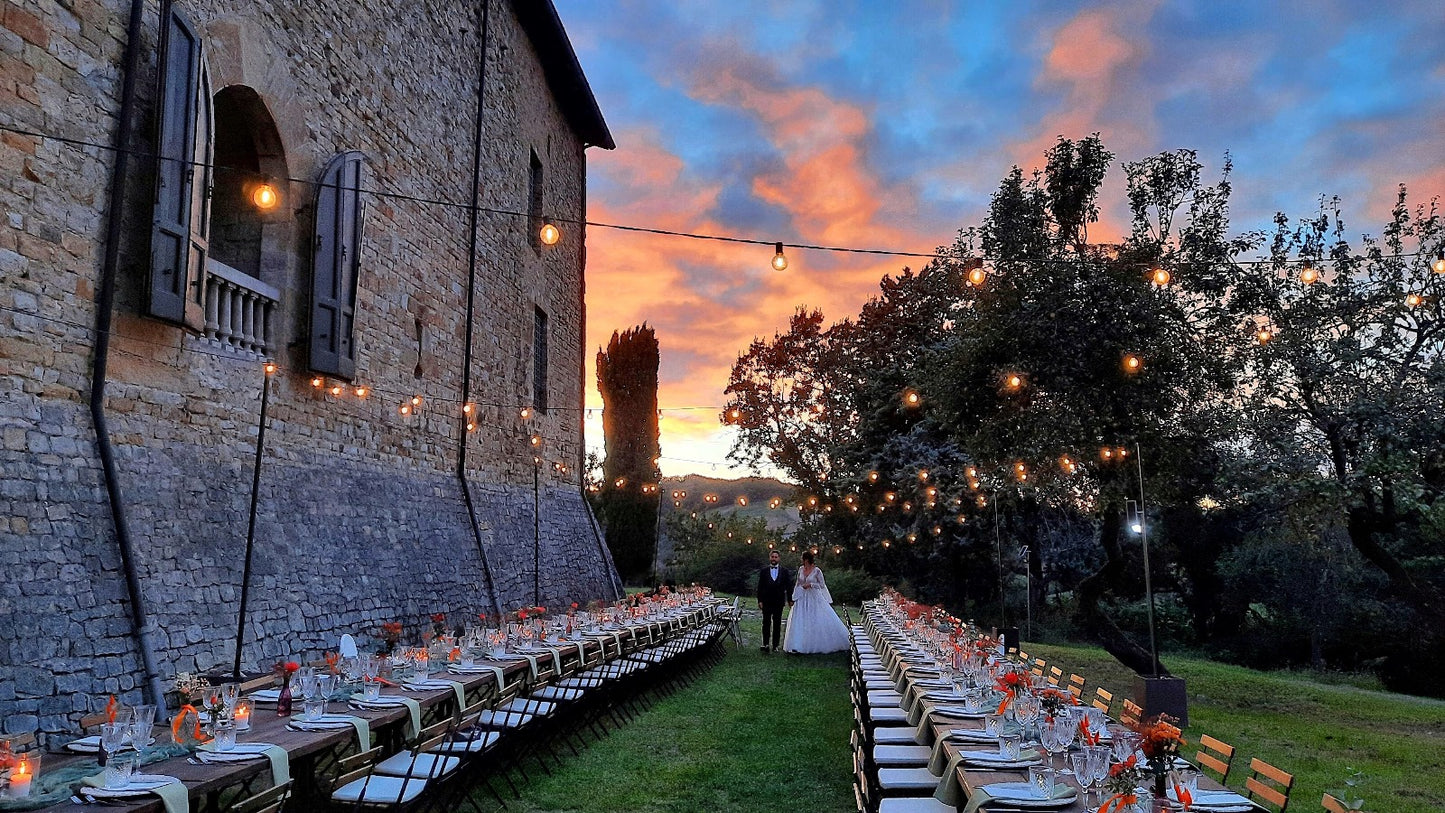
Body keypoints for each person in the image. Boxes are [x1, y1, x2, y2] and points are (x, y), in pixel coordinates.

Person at [781, 551, 850, 653]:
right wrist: (795, 595)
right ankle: (798, 644)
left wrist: (811, 585)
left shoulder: (817, 571)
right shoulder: (801, 569)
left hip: (813, 596)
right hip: (802, 597)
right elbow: (798, 582)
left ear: (806, 560)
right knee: (801, 619)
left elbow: (822, 585)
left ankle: (817, 642)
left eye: (802, 559)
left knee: (815, 617)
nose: (801, 560)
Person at [756, 549, 793, 652]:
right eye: (772, 557)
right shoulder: (764, 571)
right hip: (766, 601)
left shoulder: (784, 571)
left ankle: (775, 645)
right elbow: (760, 587)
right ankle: (765, 644)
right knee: (766, 623)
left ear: (779, 558)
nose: (774, 559)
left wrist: (790, 599)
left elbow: (789, 586)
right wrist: (760, 600)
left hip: (778, 601)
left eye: (776, 557)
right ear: (770, 558)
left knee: (777, 623)